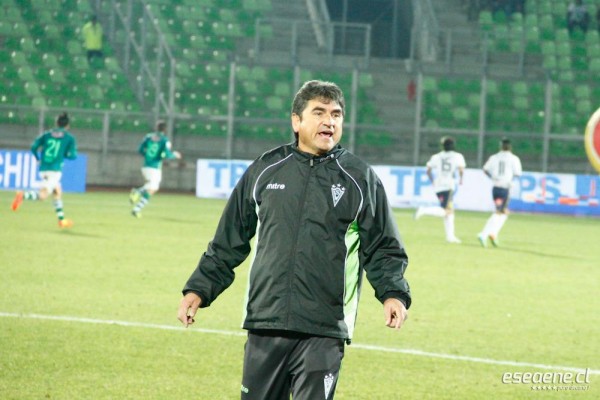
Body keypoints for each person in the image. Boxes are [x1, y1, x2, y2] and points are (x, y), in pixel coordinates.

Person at [177, 80, 411, 400]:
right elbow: (228, 239)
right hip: (266, 321)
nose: (329, 121)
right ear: (296, 121)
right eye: (319, 112)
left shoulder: (359, 178)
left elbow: (383, 246)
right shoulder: (266, 169)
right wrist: (199, 288)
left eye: (336, 114)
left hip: (324, 329)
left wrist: (393, 293)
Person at [11, 112, 77, 228]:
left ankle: (61, 220)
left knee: (57, 191)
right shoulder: (69, 138)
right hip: (55, 170)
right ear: (68, 125)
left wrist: (38, 159)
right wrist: (63, 154)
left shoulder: (47, 134)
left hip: (43, 168)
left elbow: (33, 147)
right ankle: (23, 195)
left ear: (56, 123)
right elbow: (73, 156)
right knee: (43, 196)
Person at [414, 136, 466, 243]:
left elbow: (428, 170)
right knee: (447, 211)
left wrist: (432, 180)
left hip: (439, 185)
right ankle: (424, 210)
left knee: (449, 212)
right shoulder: (457, 156)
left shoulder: (436, 156)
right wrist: (461, 179)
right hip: (448, 185)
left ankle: (450, 237)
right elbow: (461, 169)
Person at [129, 120, 181, 218]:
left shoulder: (148, 137)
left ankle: (137, 209)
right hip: (155, 167)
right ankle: (137, 192)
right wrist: (175, 155)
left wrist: (148, 157)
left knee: (152, 188)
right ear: (165, 129)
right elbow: (167, 154)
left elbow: (140, 150)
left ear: (156, 128)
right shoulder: (164, 140)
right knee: (152, 187)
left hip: (146, 165)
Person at [478, 138, 522, 247]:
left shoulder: (494, 157)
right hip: (505, 188)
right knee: (499, 212)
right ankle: (484, 234)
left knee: (504, 212)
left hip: (496, 187)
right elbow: (518, 173)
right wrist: (509, 179)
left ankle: (493, 234)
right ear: (510, 147)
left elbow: (485, 169)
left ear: (500, 146)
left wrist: (493, 177)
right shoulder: (514, 158)